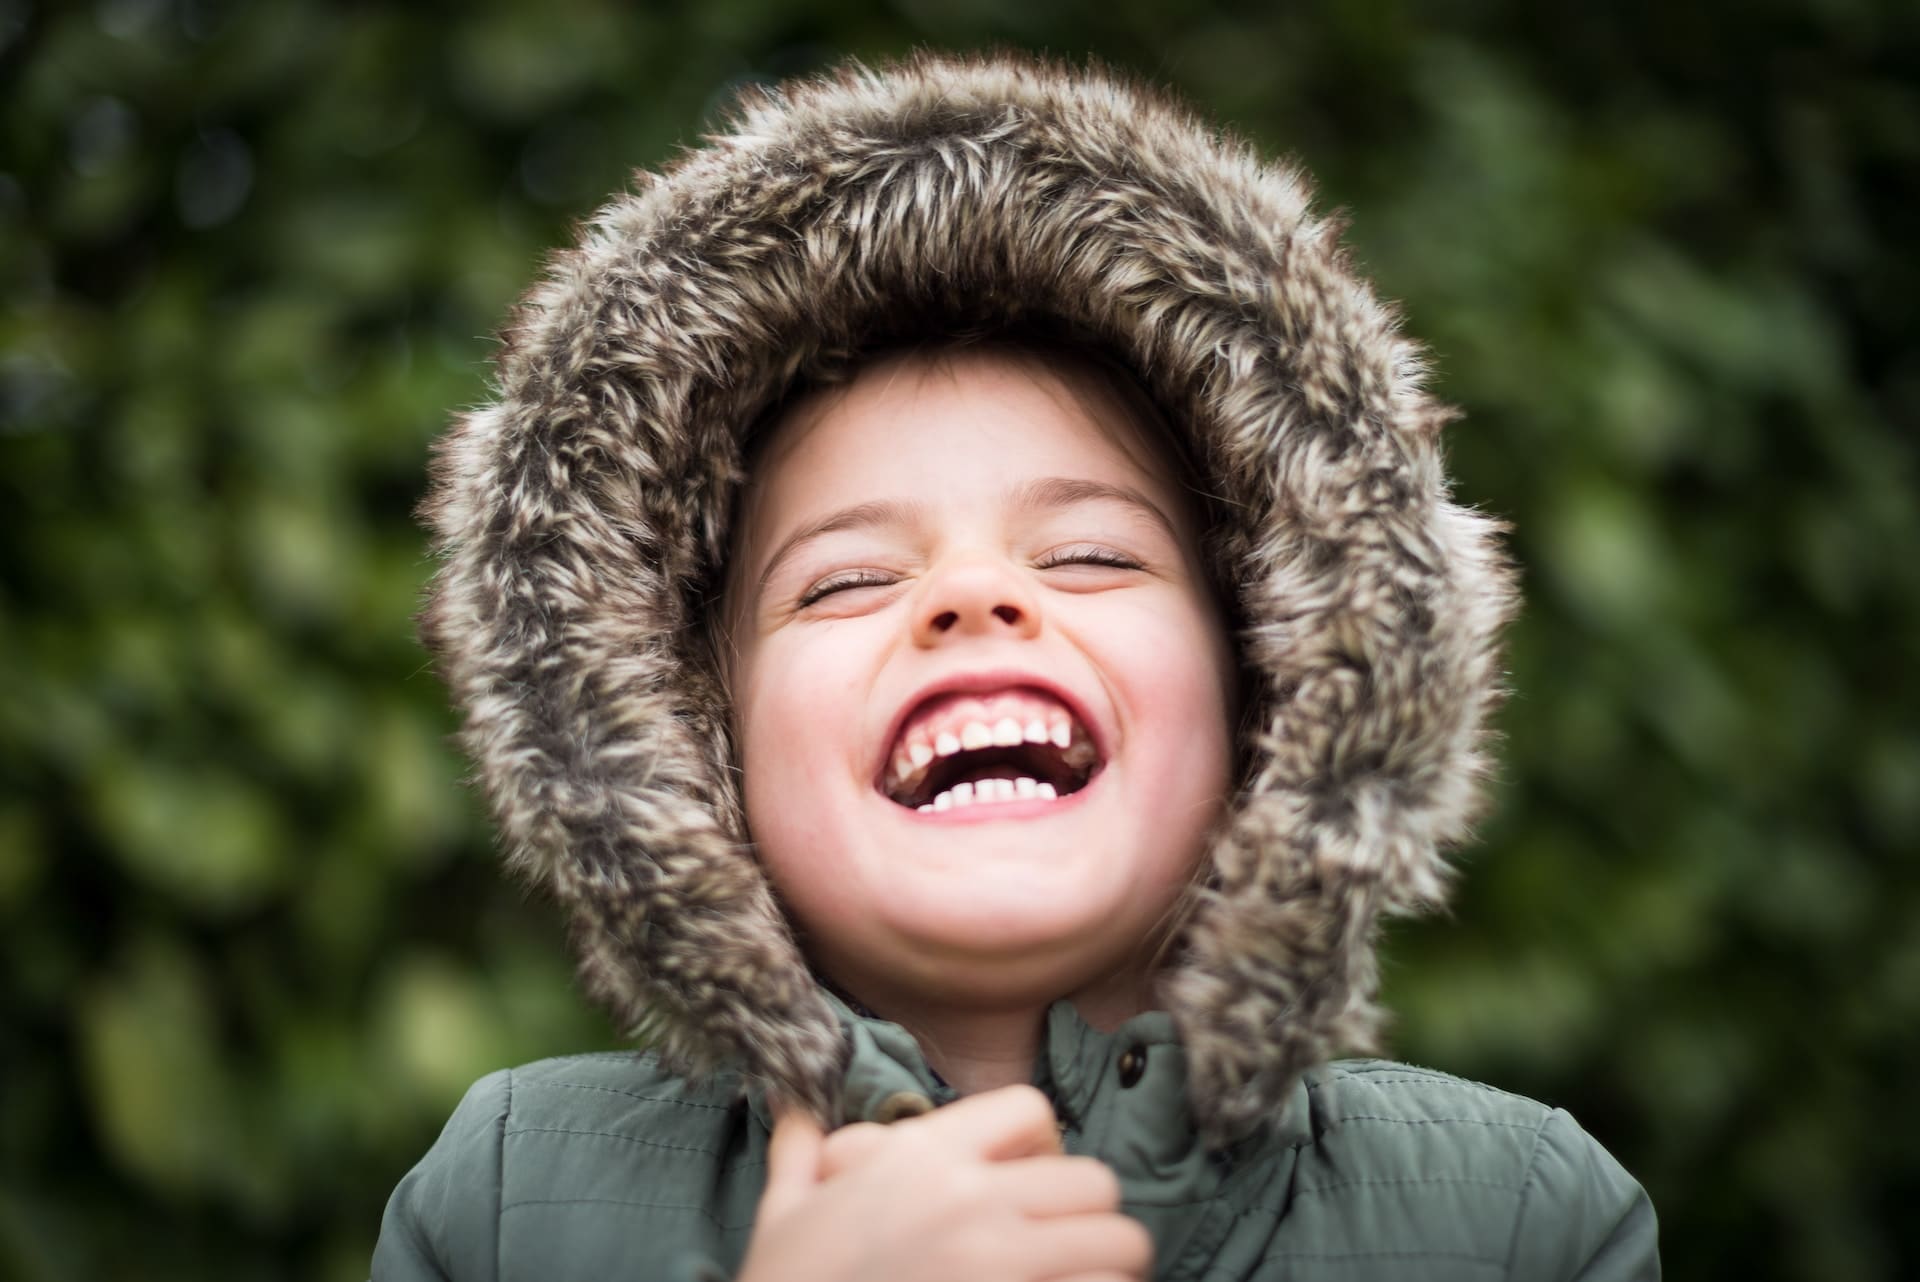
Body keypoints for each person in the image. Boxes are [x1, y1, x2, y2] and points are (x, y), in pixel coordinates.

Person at [372, 51, 1660, 1282]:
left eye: (1092, 555)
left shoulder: (1520, 1219)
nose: (973, 595)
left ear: (1269, 695)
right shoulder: (497, 1205)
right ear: (694, 743)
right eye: (848, 579)